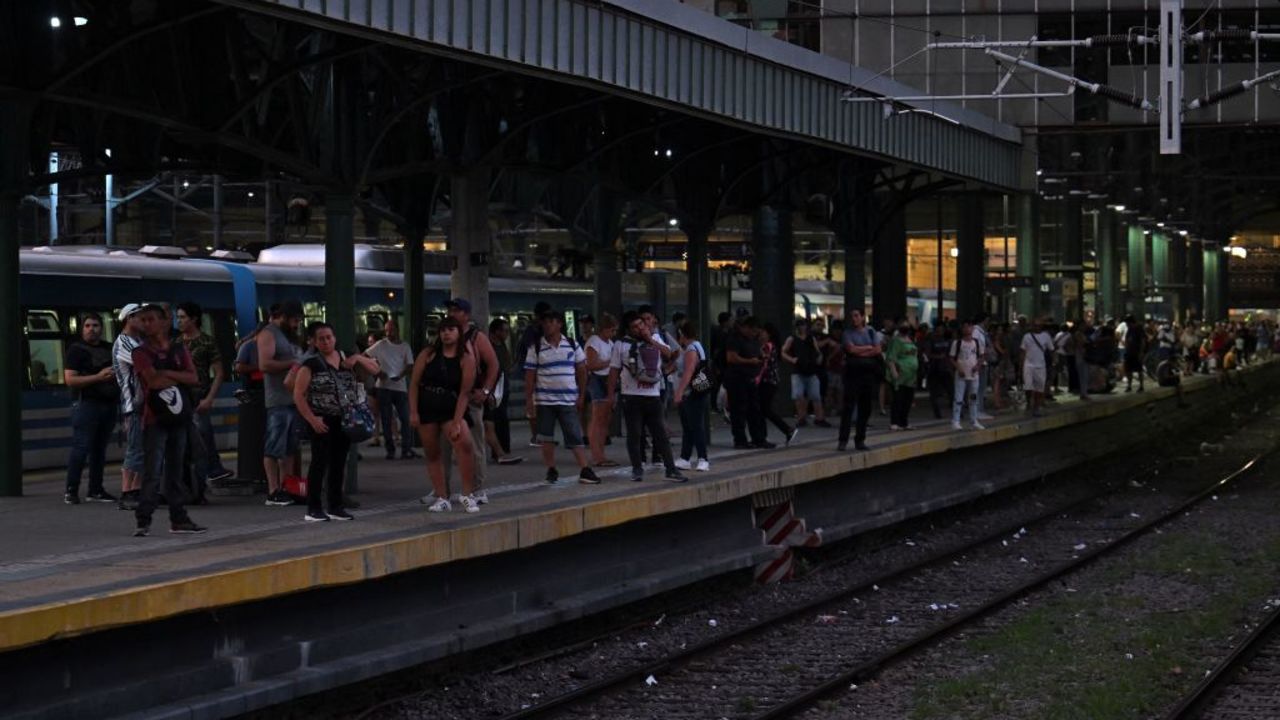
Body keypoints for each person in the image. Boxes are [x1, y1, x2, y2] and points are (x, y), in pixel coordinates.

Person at [130, 304, 205, 536]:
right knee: (152, 471)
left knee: (175, 470)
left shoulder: (178, 349)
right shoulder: (140, 353)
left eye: (151, 319)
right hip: (154, 419)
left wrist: (168, 374)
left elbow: (194, 378)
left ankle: (178, 518)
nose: (146, 324)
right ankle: (144, 519)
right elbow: (152, 381)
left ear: (164, 322)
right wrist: (177, 377)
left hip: (178, 418)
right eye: (143, 320)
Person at [293, 323, 379, 522]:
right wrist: (311, 418)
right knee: (319, 462)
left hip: (345, 418)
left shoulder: (346, 357)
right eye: (321, 338)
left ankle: (335, 505)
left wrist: (357, 358)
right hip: (322, 418)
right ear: (314, 342)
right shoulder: (310, 364)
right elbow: (298, 394)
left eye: (329, 337)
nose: (326, 341)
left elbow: (375, 369)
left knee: (339, 462)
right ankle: (313, 508)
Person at [408, 316, 482, 513]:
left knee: (464, 445)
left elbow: (465, 393)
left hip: (451, 406)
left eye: (451, 329)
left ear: (459, 333)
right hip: (427, 405)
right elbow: (414, 383)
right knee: (432, 452)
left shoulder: (466, 358)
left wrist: (458, 421)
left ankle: (467, 493)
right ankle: (441, 496)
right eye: (443, 330)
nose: (446, 333)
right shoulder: (428, 354)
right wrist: (413, 411)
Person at [608, 311, 687, 482]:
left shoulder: (655, 339)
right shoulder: (621, 345)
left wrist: (650, 340)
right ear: (628, 329)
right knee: (634, 434)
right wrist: (611, 395)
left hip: (652, 394)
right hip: (631, 395)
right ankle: (637, 468)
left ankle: (671, 469)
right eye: (635, 327)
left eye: (641, 325)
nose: (640, 329)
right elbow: (614, 370)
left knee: (660, 433)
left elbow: (668, 354)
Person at [524, 309, 601, 485]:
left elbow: (582, 370)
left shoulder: (572, 345)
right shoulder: (536, 347)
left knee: (575, 434)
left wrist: (581, 395)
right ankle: (551, 468)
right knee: (546, 436)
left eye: (551, 321)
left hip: (568, 399)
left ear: (560, 324)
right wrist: (529, 400)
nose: (548, 325)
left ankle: (585, 468)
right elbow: (529, 375)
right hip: (544, 400)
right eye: (545, 322)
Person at [441, 299, 500, 504]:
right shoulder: (444, 336)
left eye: (455, 310)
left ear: (466, 314)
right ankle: (442, 490)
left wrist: (485, 391)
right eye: (449, 309)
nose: (451, 312)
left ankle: (477, 488)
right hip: (447, 398)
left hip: (471, 399)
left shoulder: (477, 337)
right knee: (444, 446)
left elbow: (493, 364)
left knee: (474, 444)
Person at [63, 312, 120, 504]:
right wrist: (98, 377)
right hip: (86, 403)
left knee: (99, 449)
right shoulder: (76, 350)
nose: (91, 329)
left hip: (108, 403)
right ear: (82, 329)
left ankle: (95, 489)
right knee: (81, 447)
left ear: (101, 328)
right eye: (87, 326)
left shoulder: (110, 348)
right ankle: (71, 490)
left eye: (95, 325)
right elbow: (70, 379)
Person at [176, 302, 233, 488]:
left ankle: (211, 471)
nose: (179, 321)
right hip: (178, 398)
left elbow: (219, 373)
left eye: (183, 317)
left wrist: (210, 398)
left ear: (194, 319)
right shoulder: (176, 343)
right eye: (178, 317)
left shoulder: (207, 342)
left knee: (203, 435)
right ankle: (195, 476)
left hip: (199, 397)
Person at [257, 300, 305, 507]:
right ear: (283, 317)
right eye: (294, 320)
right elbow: (265, 364)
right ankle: (273, 490)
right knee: (274, 445)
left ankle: (289, 487)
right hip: (278, 400)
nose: (297, 325)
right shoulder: (269, 334)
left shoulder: (289, 336)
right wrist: (295, 364)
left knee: (290, 448)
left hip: (294, 399)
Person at [365, 319, 417, 460]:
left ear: (397, 330)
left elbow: (410, 365)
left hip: (400, 387)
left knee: (405, 419)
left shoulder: (404, 346)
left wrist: (400, 375)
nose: (389, 333)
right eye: (386, 330)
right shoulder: (381, 344)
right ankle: (390, 450)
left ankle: (406, 449)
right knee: (386, 420)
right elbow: (365, 356)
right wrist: (377, 371)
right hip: (383, 387)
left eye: (391, 330)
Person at [112, 304, 146, 510]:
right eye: (140, 318)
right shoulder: (124, 342)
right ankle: (127, 492)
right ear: (129, 318)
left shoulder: (138, 341)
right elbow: (144, 361)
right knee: (135, 448)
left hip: (143, 403)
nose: (144, 321)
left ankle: (137, 489)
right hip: (132, 403)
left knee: (144, 448)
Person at [723, 316, 771, 449]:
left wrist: (761, 356)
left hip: (750, 378)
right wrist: (750, 361)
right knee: (739, 410)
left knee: (754, 409)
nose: (754, 334)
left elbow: (756, 350)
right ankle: (740, 440)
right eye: (753, 331)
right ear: (745, 328)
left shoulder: (753, 339)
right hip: (737, 379)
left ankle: (758, 438)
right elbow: (731, 358)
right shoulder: (735, 338)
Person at [837, 309, 881, 451]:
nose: (854, 319)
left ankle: (860, 440)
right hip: (852, 374)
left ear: (863, 317)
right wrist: (868, 348)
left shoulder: (871, 332)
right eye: (852, 316)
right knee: (848, 408)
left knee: (865, 408)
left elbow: (877, 350)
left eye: (856, 316)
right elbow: (851, 350)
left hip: (868, 374)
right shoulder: (847, 333)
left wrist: (860, 350)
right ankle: (843, 440)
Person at [482, 318, 522, 466]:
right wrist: (488, 390)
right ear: (495, 331)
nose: (506, 334)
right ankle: (500, 453)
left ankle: (502, 451)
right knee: (490, 423)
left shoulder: (502, 346)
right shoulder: (488, 347)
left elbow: (506, 365)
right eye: (504, 330)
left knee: (501, 420)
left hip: (502, 387)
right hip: (492, 389)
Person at [673, 320, 711, 472]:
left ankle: (703, 458)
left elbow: (688, 372)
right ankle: (685, 457)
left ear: (682, 335)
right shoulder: (696, 346)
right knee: (689, 427)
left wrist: (679, 392)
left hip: (691, 392)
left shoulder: (691, 349)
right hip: (696, 391)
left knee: (695, 426)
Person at [585, 313, 619, 467]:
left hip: (608, 380)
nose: (613, 333)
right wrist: (609, 363)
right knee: (597, 418)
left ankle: (601, 452)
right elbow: (590, 365)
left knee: (605, 419)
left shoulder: (610, 343)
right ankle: (596, 454)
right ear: (603, 329)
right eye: (611, 330)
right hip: (597, 379)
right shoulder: (594, 342)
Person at [516, 301, 552, 447]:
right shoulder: (532, 334)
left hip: (543, 374)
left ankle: (540, 435)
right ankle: (537, 435)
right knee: (535, 407)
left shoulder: (533, 332)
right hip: (535, 374)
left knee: (540, 407)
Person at [756, 323, 797, 445]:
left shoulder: (767, 346)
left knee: (764, 409)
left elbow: (764, 364)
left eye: (763, 332)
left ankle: (787, 429)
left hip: (767, 381)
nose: (760, 334)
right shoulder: (772, 346)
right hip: (770, 381)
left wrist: (757, 378)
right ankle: (764, 436)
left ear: (769, 334)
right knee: (763, 409)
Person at [782, 319, 827, 427]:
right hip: (798, 370)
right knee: (799, 395)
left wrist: (819, 357)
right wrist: (792, 359)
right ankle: (801, 418)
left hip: (811, 370)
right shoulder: (792, 338)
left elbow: (817, 351)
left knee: (816, 396)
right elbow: (783, 352)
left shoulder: (811, 338)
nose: (802, 328)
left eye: (803, 326)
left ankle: (819, 418)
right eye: (800, 326)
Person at [950, 321, 984, 430]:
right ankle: (955, 420)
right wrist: (959, 368)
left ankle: (973, 420)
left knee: (973, 398)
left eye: (969, 327)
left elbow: (981, 356)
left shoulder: (977, 343)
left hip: (974, 375)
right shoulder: (957, 343)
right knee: (958, 397)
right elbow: (951, 358)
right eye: (965, 327)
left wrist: (977, 366)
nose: (967, 329)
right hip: (961, 374)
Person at [886, 324, 919, 431]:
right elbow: (891, 357)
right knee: (898, 399)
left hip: (911, 376)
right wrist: (894, 372)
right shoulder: (896, 341)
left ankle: (904, 422)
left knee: (908, 399)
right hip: (900, 375)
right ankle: (894, 422)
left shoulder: (910, 340)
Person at [1021, 318, 1054, 417]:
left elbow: (1051, 349)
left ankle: (1036, 407)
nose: (1036, 327)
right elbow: (1022, 350)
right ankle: (1028, 402)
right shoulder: (1026, 336)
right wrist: (1021, 364)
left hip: (1041, 365)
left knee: (1039, 388)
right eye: (1035, 325)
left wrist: (1054, 362)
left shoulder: (1046, 336)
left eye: (1039, 325)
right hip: (1028, 364)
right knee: (1028, 386)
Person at [925, 323, 954, 419]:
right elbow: (927, 354)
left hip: (946, 369)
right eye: (938, 330)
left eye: (942, 330)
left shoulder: (948, 340)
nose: (940, 332)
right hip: (934, 368)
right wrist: (938, 356)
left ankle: (957, 411)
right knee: (934, 393)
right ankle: (937, 413)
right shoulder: (931, 340)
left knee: (951, 391)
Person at [1122, 314, 1146, 392]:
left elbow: (1142, 341)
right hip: (1129, 352)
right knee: (1128, 370)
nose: (1127, 324)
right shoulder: (1129, 329)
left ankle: (1141, 385)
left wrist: (1141, 352)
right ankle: (1129, 385)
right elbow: (1127, 339)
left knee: (1139, 369)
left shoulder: (1138, 328)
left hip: (1136, 352)